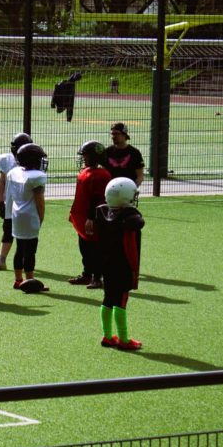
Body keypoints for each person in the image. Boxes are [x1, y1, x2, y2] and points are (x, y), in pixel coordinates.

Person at [95, 177, 145, 350]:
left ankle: (107, 336)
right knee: (121, 301)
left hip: (106, 263)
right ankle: (124, 339)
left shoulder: (101, 213)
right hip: (123, 265)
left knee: (108, 298)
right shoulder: (130, 217)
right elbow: (138, 222)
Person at [68, 140, 112, 289]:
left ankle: (97, 277)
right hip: (82, 217)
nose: (84, 158)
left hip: (92, 218)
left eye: (86, 155)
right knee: (84, 248)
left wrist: (91, 218)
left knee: (95, 249)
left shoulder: (101, 175)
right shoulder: (87, 171)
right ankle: (87, 274)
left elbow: (98, 199)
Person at [0, 133, 32, 271]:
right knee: (8, 230)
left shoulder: (33, 160)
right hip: (11, 202)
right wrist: (0, 201)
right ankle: (1, 260)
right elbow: (2, 182)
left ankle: (25, 260)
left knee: (25, 233)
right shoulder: (7, 160)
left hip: (26, 201)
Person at [6, 143, 49, 291]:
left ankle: (18, 279)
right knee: (30, 250)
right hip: (30, 215)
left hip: (17, 213)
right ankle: (30, 280)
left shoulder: (14, 172)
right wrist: (41, 218)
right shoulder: (37, 176)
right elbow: (40, 202)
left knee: (19, 249)